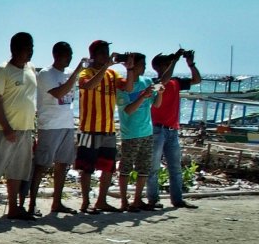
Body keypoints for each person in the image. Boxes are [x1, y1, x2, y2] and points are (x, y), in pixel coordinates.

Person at [0, 32, 38, 222]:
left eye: (32, 47)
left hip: (25, 128)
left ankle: (13, 208)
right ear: (15, 50)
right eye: (26, 48)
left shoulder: (30, 68)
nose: (30, 52)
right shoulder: (3, 70)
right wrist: (6, 127)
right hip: (4, 129)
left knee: (17, 170)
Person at [75, 40, 125, 213]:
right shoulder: (86, 72)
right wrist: (105, 68)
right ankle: (86, 202)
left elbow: (128, 87)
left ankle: (101, 201)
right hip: (89, 127)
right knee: (87, 167)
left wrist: (131, 68)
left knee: (108, 166)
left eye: (107, 52)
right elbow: (88, 85)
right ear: (93, 55)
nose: (106, 56)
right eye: (102, 53)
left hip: (109, 128)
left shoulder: (113, 74)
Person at [33, 41, 83, 215]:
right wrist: (76, 73)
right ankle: (31, 203)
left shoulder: (69, 73)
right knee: (41, 164)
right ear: (57, 56)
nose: (69, 59)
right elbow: (59, 93)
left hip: (67, 124)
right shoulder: (46, 74)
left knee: (63, 164)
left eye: (70, 56)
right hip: (50, 125)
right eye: (66, 56)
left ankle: (57, 202)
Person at [151, 49, 202, 209]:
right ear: (158, 67)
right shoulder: (155, 83)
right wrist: (175, 60)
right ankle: (153, 199)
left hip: (172, 130)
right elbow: (163, 82)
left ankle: (177, 199)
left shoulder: (176, 82)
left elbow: (196, 80)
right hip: (157, 129)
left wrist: (190, 64)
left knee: (175, 168)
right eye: (166, 64)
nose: (170, 66)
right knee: (153, 167)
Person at [117, 52, 162, 212]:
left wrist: (159, 92)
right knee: (126, 168)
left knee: (144, 168)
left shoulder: (147, 81)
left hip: (147, 131)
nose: (144, 67)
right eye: (142, 64)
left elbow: (156, 104)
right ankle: (123, 201)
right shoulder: (123, 85)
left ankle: (137, 199)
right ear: (133, 66)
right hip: (130, 133)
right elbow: (128, 110)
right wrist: (143, 96)